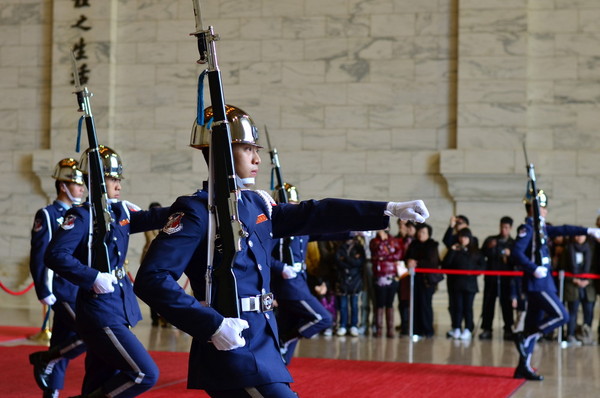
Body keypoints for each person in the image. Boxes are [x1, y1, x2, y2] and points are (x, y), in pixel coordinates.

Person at [133, 105, 430, 397]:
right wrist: (211, 325)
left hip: (264, 337)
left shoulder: (258, 204)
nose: (257, 159)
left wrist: (387, 210)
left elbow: (316, 212)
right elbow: (153, 278)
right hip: (230, 344)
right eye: (248, 149)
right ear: (222, 151)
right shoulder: (197, 211)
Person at [44, 145, 170, 397]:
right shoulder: (80, 216)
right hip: (98, 310)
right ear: (98, 181)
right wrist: (93, 277)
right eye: (113, 179)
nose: (119, 185)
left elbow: (153, 218)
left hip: (119, 305)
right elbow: (55, 255)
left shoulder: (120, 211)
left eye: (118, 179)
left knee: (101, 376)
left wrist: (190, 205)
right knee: (144, 374)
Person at [512, 188, 600, 380]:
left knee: (533, 323)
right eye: (543, 208)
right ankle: (524, 336)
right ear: (534, 209)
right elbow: (516, 253)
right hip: (538, 285)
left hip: (544, 284)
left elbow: (564, 229)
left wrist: (588, 231)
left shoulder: (540, 228)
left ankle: (523, 366)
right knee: (562, 315)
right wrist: (532, 268)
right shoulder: (527, 228)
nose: (546, 211)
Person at [28, 158, 86, 398]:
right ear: (63, 186)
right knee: (90, 332)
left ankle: (50, 391)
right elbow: (39, 254)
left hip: (78, 289)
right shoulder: (48, 214)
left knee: (61, 340)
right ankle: (46, 359)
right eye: (76, 185)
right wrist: (44, 290)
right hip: (61, 290)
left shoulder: (81, 214)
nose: (82, 189)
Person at [269, 183, 336, 364]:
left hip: (300, 281)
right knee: (322, 318)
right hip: (288, 286)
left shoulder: (300, 226)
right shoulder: (275, 228)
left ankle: (280, 368)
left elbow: (327, 232)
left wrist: (356, 230)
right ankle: (285, 340)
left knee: (289, 329)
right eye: (289, 203)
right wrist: (281, 268)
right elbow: (263, 256)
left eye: (294, 203)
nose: (293, 207)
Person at [442, 228, 485, 340]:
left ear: (469, 238)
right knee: (457, 307)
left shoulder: (476, 251)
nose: (463, 239)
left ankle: (468, 328)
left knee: (468, 308)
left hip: (470, 285)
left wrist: (472, 271)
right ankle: (456, 327)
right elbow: (445, 265)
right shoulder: (455, 249)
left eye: (465, 237)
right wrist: (452, 250)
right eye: (461, 236)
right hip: (456, 284)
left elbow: (482, 266)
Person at [478, 216, 516, 341]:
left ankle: (508, 328)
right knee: (488, 304)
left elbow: (516, 260)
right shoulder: (491, 240)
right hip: (491, 278)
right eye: (502, 227)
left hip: (506, 279)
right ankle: (487, 328)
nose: (503, 230)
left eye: (506, 227)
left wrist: (509, 255)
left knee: (506, 305)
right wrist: (490, 247)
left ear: (510, 228)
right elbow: (482, 254)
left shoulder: (513, 243)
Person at [405, 223, 441, 338]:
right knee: (415, 304)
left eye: (424, 232)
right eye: (419, 232)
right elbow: (407, 257)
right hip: (414, 279)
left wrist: (416, 263)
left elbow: (433, 262)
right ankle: (416, 330)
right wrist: (409, 261)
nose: (421, 234)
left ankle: (428, 330)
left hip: (427, 281)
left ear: (428, 234)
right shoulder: (413, 244)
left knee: (425, 305)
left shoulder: (432, 245)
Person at [559, 235, 596, 346]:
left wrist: (587, 280)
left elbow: (595, 267)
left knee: (588, 312)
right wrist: (574, 279)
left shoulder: (591, 250)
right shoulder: (568, 250)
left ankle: (586, 335)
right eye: (577, 235)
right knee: (572, 312)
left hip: (588, 287)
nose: (579, 237)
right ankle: (570, 335)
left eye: (582, 235)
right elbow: (562, 268)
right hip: (573, 286)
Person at [370, 227, 404, 338]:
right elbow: (377, 253)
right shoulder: (374, 241)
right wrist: (384, 244)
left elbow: (399, 254)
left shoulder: (394, 240)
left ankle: (390, 329)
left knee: (390, 303)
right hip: (380, 276)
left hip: (392, 275)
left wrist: (385, 257)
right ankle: (378, 329)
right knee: (379, 303)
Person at [141, 201, 168, 327]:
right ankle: (155, 318)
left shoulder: (166, 224)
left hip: (163, 260)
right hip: (149, 259)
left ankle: (165, 317)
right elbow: (151, 239)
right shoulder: (149, 225)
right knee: (152, 290)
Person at [334, 236, 367, 337]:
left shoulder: (359, 248)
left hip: (356, 278)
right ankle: (343, 325)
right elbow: (337, 261)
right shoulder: (341, 247)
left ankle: (354, 325)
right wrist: (351, 262)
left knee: (354, 304)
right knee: (343, 305)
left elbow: (359, 262)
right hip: (343, 278)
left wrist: (346, 259)